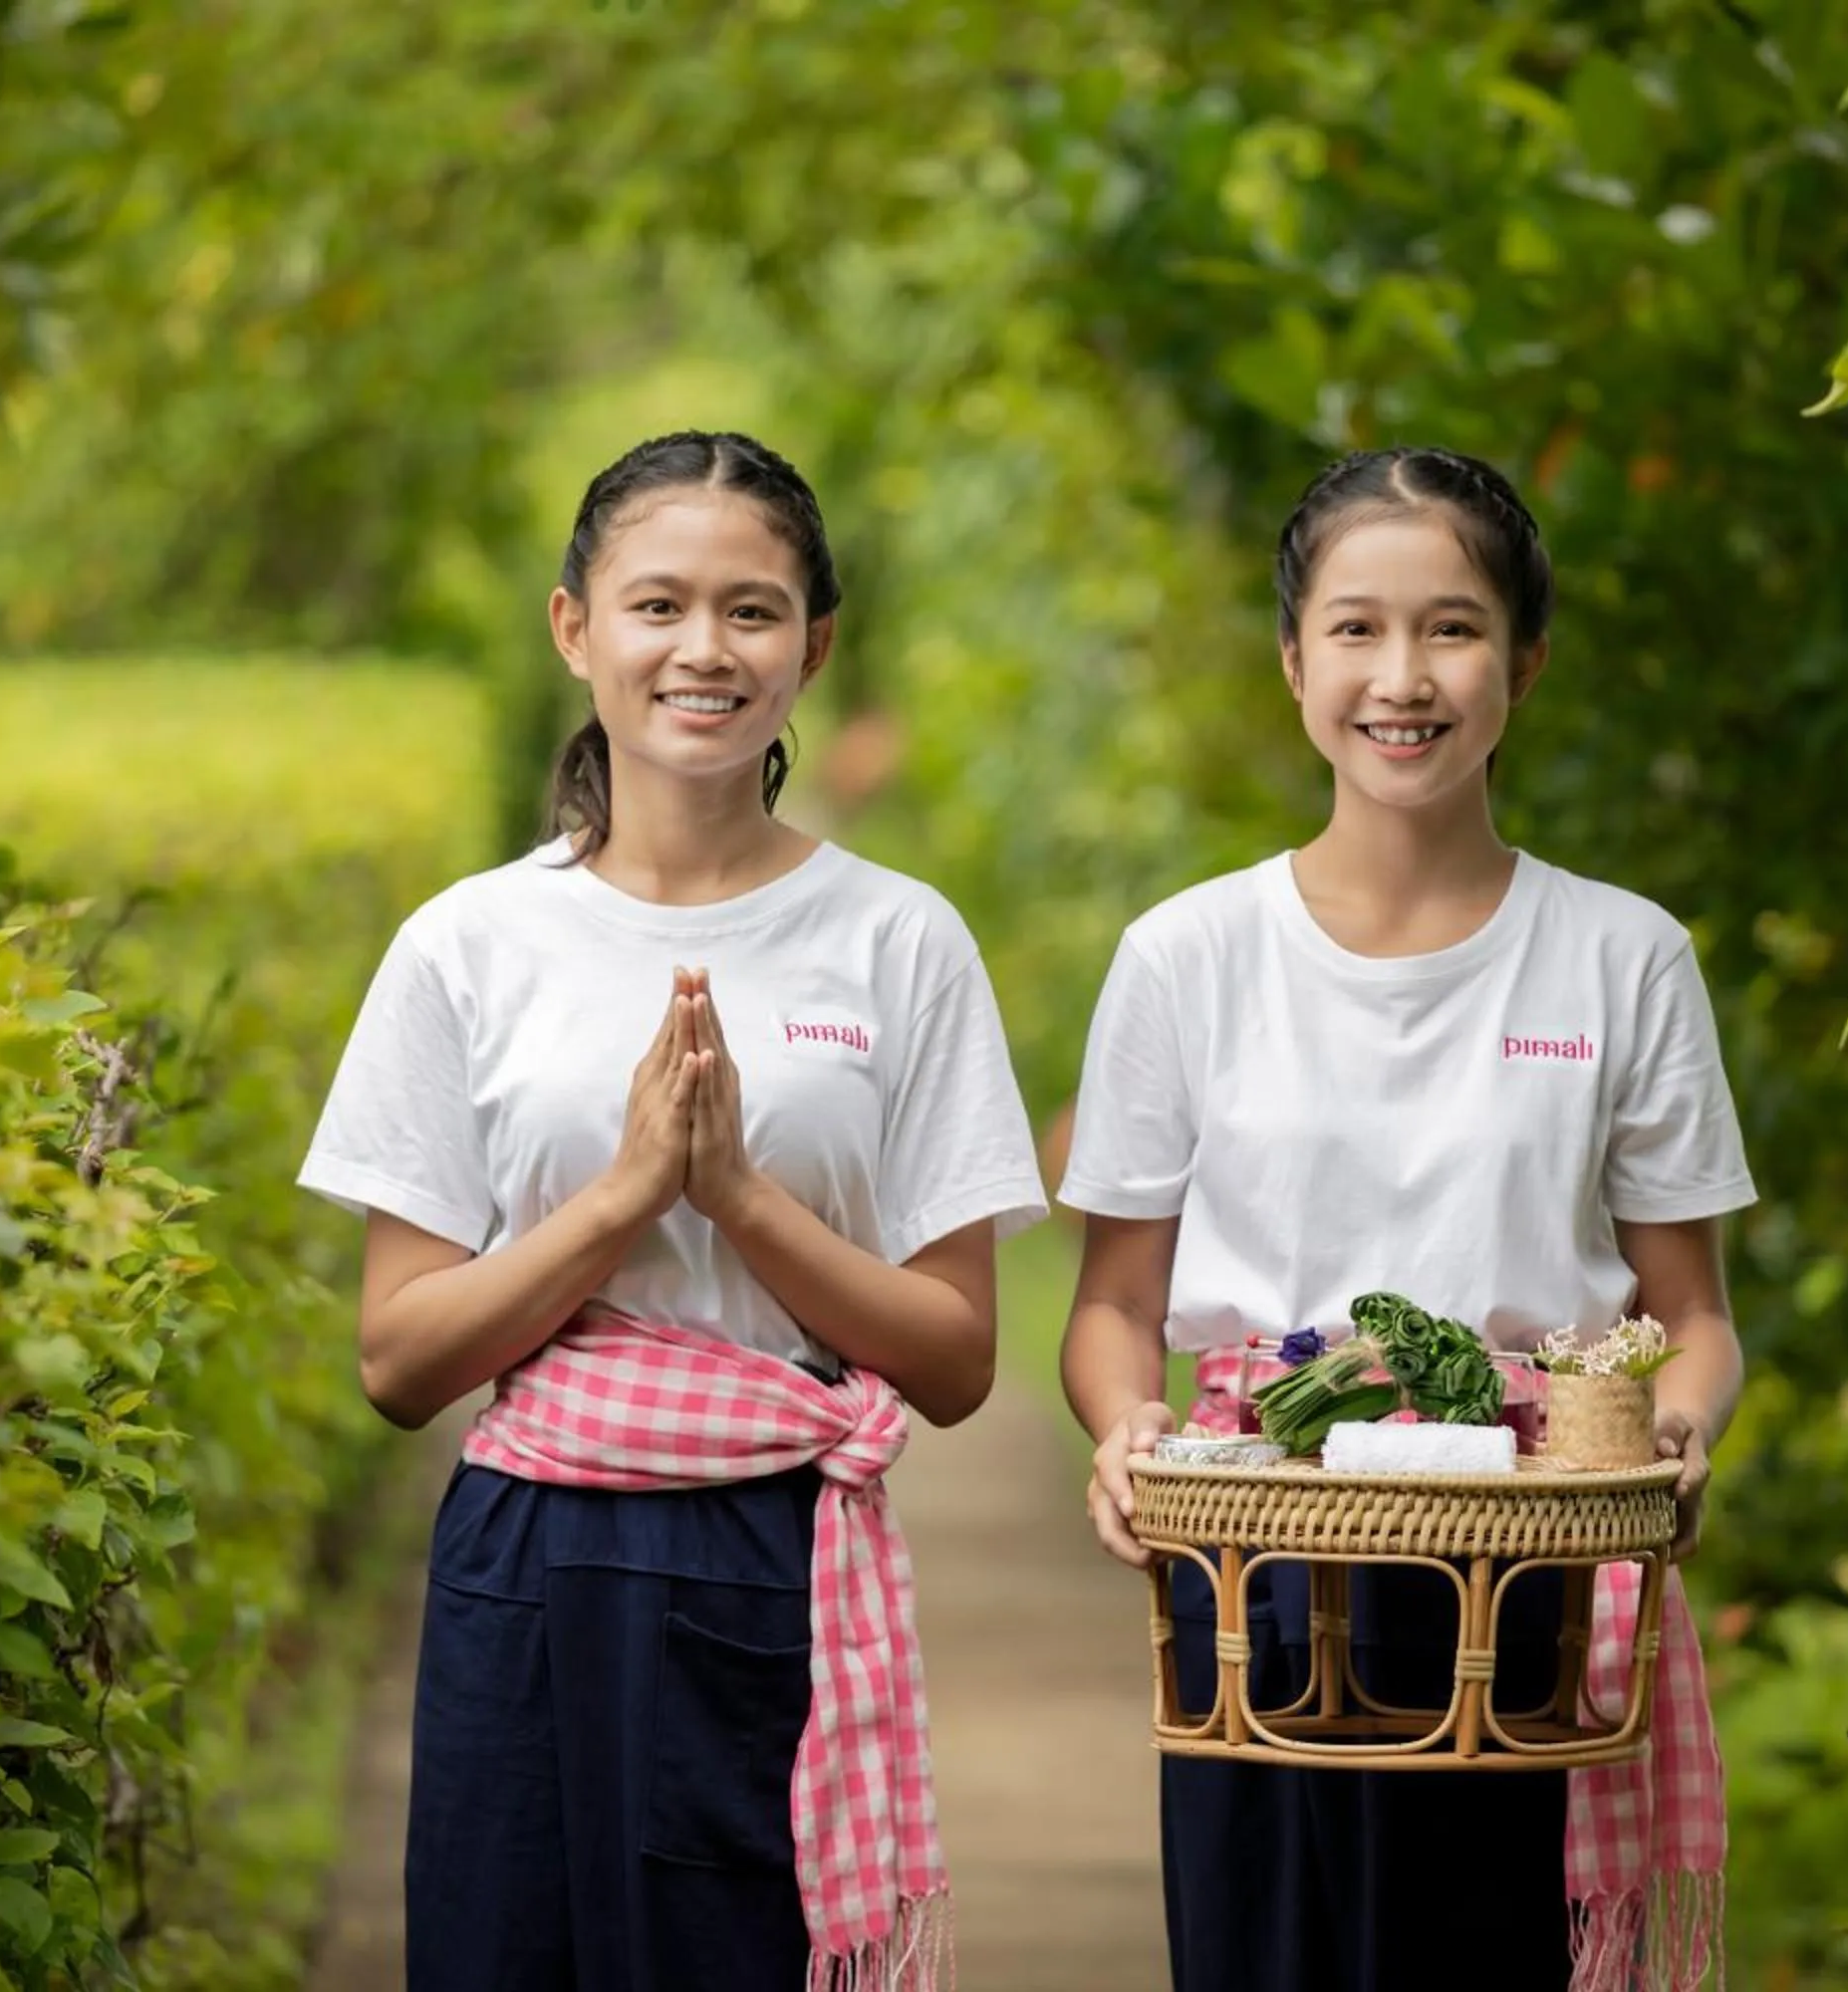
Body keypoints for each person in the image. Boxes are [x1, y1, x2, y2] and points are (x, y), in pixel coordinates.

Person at [299, 430, 1047, 1992]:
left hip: (786, 1556)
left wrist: (741, 1200)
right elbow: (397, 1360)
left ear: (815, 647)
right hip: (534, 1565)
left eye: (752, 611)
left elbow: (960, 1359)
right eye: (658, 606)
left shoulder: (900, 943)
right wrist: (628, 1195)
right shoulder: (472, 945)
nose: (703, 649)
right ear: (575, 629)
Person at [1056, 446, 1748, 1990]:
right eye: (1358, 630)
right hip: (1257, 1582)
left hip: (1535, 1588)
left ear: (1525, 663)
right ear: (1295, 661)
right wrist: (1123, 1430)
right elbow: (1114, 1307)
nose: (1404, 676)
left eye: (1452, 628)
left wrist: (1677, 1431)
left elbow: (1690, 1316)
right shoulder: (1186, 958)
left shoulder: (1623, 960)